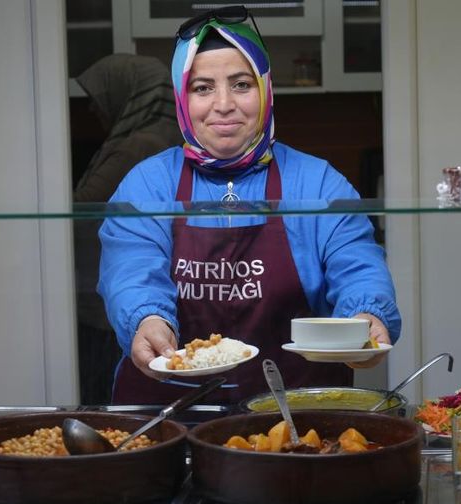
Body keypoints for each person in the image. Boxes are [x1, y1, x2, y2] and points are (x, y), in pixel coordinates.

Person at [98, 6, 401, 404]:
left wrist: (366, 318)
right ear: (181, 98)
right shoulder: (147, 184)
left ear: (266, 89)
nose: (224, 104)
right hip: (170, 413)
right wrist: (146, 319)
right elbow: (130, 272)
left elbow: (358, 264)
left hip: (298, 414)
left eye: (241, 84)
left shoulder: (317, 181)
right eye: (202, 88)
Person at [72, 54, 183, 404]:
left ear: (129, 93)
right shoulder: (154, 141)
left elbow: (84, 204)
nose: (92, 109)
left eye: (97, 98)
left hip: (107, 299)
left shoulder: (140, 147)